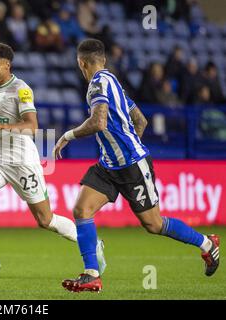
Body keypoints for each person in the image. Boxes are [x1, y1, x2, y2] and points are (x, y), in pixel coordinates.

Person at [53, 39, 220, 293]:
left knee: (153, 224)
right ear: (104, 60)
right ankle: (91, 275)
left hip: (131, 166)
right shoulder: (114, 82)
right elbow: (140, 120)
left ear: (81, 63)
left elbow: (98, 122)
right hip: (110, 165)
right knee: (81, 210)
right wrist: (123, 148)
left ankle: (207, 243)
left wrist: (68, 136)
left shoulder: (97, 83)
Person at [0, 43, 106, 285]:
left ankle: (94, 244)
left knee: (45, 220)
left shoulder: (21, 90)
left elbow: (32, 126)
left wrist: (2, 126)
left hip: (22, 162)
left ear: (7, 65)